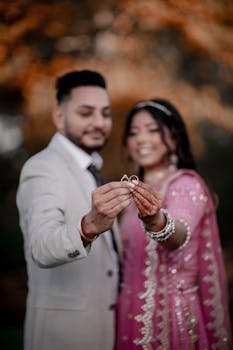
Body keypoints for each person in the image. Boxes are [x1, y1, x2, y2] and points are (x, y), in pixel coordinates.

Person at [16, 69, 133, 350]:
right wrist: (87, 227)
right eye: (85, 113)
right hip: (62, 337)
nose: (99, 122)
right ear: (59, 116)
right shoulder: (43, 168)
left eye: (105, 113)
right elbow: (41, 247)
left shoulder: (92, 167)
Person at [116, 99, 232, 349]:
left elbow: (178, 235)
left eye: (153, 130)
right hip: (126, 313)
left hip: (170, 318)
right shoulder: (129, 198)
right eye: (133, 133)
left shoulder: (186, 185)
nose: (141, 139)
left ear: (175, 137)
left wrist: (157, 221)